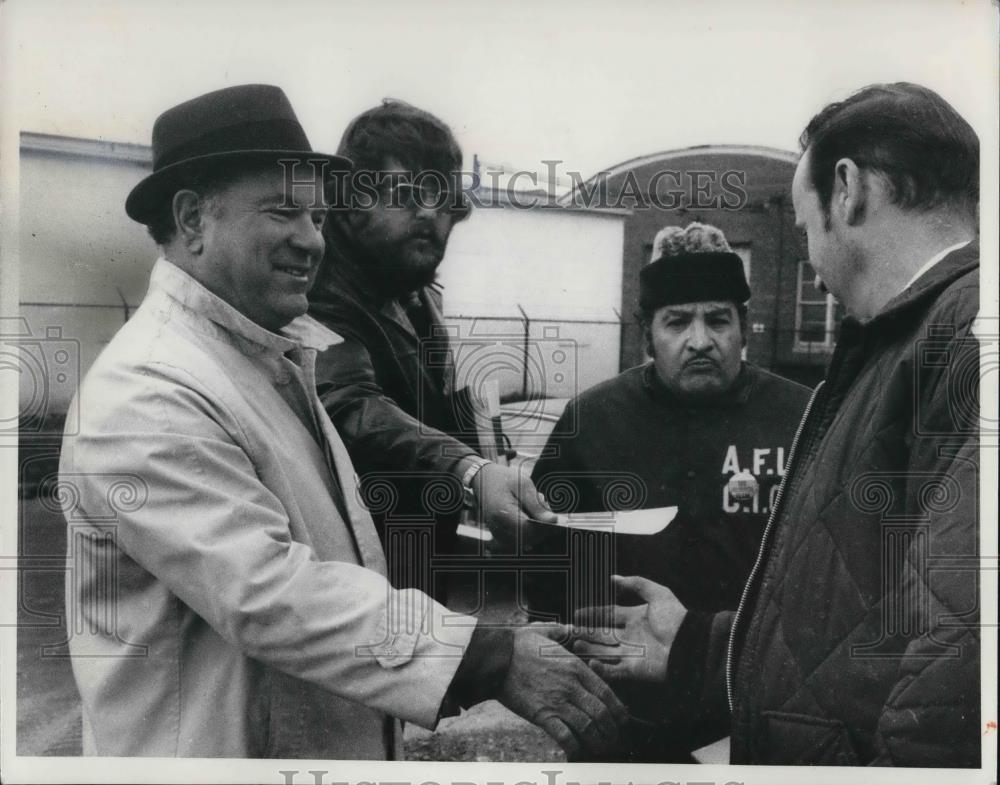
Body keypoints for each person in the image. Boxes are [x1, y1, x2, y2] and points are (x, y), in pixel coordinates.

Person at [58, 84, 627, 760]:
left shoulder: (270, 357)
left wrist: (502, 632)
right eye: (283, 212)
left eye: (319, 218)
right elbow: (272, 591)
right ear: (191, 221)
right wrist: (491, 656)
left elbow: (347, 560)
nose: (311, 241)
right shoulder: (150, 390)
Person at [572, 82, 982, 767]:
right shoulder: (907, 348)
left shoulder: (965, 337)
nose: (811, 257)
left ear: (846, 190)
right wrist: (705, 646)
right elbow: (861, 623)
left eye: (801, 226)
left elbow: (953, 671)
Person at [527, 222, 811, 760]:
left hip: (754, 701)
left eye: (718, 320)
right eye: (677, 321)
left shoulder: (801, 419)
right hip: (627, 712)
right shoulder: (592, 419)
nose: (699, 340)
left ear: (745, 327)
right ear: (646, 332)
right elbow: (547, 569)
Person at [308, 100, 556, 598]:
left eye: (440, 196)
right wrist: (470, 473)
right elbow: (350, 404)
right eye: (404, 193)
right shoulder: (316, 288)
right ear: (351, 201)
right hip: (354, 590)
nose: (428, 212)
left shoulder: (414, 292)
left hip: (418, 575)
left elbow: (438, 416)